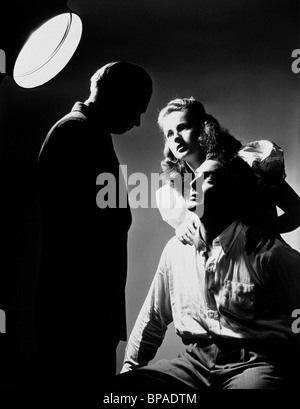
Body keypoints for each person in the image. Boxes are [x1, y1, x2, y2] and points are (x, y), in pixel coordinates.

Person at [109, 155, 300, 390]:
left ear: (234, 193)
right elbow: (152, 319)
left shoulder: (268, 254)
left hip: (254, 363)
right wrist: (128, 371)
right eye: (194, 176)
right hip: (194, 363)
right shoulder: (176, 251)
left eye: (208, 178)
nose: (193, 183)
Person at [36, 61, 152, 387]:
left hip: (87, 309)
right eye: (137, 109)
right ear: (117, 96)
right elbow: (85, 231)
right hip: (78, 311)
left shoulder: (87, 131)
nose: (139, 121)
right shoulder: (76, 133)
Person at [155, 97, 300, 254]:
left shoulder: (248, 164)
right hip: (217, 270)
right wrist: (183, 227)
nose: (176, 137)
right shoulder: (177, 189)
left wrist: (271, 227)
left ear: (204, 128)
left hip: (263, 262)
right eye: (169, 134)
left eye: (183, 127)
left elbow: (297, 209)